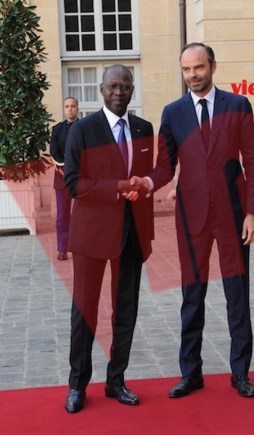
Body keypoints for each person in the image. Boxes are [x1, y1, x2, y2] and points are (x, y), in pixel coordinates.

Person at [135, 42, 254, 398]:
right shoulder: (173, 112)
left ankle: (240, 373)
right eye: (186, 70)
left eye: (198, 68)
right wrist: (147, 182)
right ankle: (191, 373)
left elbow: (252, 162)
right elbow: (166, 165)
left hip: (234, 217)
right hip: (190, 218)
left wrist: (253, 212)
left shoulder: (237, 105)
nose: (192, 75)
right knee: (192, 298)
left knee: (237, 297)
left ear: (212, 67)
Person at [62, 65, 155, 413]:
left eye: (126, 87)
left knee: (125, 312)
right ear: (101, 89)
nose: (120, 92)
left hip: (132, 236)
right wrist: (117, 189)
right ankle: (77, 385)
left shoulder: (145, 128)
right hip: (91, 237)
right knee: (84, 313)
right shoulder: (84, 130)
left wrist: (142, 190)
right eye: (113, 86)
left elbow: (146, 179)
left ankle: (117, 381)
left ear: (133, 90)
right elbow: (73, 183)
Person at [50, 97, 79, 261]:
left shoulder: (86, 127)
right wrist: (67, 169)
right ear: (64, 109)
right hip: (62, 178)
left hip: (82, 178)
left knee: (81, 215)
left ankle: (80, 246)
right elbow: (54, 153)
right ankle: (62, 249)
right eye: (67, 106)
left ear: (77, 109)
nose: (70, 109)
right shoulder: (57, 129)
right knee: (62, 216)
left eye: (73, 106)